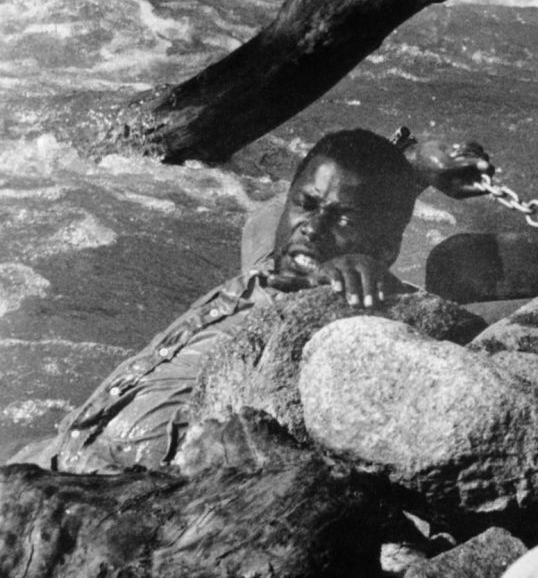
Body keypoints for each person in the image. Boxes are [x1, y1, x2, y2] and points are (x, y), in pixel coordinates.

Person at [13, 129, 491, 474]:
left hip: (124, 493)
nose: (313, 227)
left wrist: (343, 291)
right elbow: (305, 208)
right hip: (52, 454)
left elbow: (390, 343)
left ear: (383, 252)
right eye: (305, 204)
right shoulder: (266, 256)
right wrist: (416, 162)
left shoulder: (358, 306)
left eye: (342, 220)